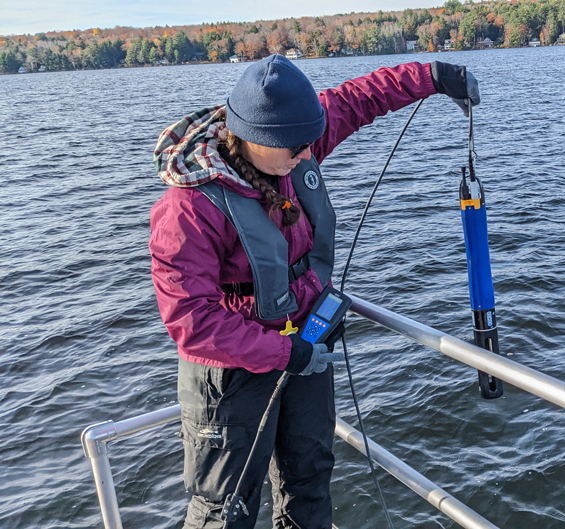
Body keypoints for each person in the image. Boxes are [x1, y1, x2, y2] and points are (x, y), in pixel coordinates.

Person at [149, 55, 480, 529]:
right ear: (253, 136)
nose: (309, 154)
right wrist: (285, 353)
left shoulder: (291, 140)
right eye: (297, 147)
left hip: (306, 347)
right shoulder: (187, 208)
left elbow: (358, 98)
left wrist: (432, 77)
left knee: (309, 479)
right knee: (226, 506)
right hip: (233, 376)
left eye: (310, 141)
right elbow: (192, 321)